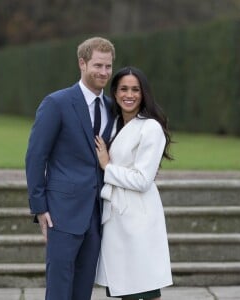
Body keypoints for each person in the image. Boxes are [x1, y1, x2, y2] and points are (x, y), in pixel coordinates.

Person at [25, 37, 115, 300]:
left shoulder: (112, 107)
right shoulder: (57, 103)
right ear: (82, 63)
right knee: (59, 289)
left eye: (108, 67)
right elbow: (35, 156)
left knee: (83, 290)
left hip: (98, 215)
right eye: (98, 65)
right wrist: (39, 206)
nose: (104, 72)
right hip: (62, 213)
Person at [95, 66, 173, 300]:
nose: (129, 95)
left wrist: (107, 167)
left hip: (138, 216)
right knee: (124, 287)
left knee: (144, 287)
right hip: (116, 215)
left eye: (135, 90)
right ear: (115, 93)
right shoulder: (114, 124)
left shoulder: (150, 127)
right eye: (123, 89)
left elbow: (142, 180)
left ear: (144, 93)